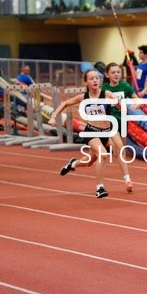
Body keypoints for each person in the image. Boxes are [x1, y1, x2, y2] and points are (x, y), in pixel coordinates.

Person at [49, 69, 122, 198]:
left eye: (97, 78)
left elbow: (118, 103)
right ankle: (100, 188)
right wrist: (53, 116)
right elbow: (65, 103)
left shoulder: (106, 94)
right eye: (91, 78)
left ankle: (72, 164)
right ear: (86, 82)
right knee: (103, 154)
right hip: (91, 131)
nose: (95, 80)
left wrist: (118, 103)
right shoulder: (84, 97)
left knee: (88, 162)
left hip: (104, 133)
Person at [99, 62, 136, 192]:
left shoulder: (125, 86)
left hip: (123, 121)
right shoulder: (103, 88)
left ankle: (112, 146)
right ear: (107, 75)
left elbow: (137, 99)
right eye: (113, 72)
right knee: (121, 149)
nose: (116, 74)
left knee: (119, 152)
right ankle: (127, 180)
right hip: (111, 121)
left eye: (118, 72)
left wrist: (135, 105)